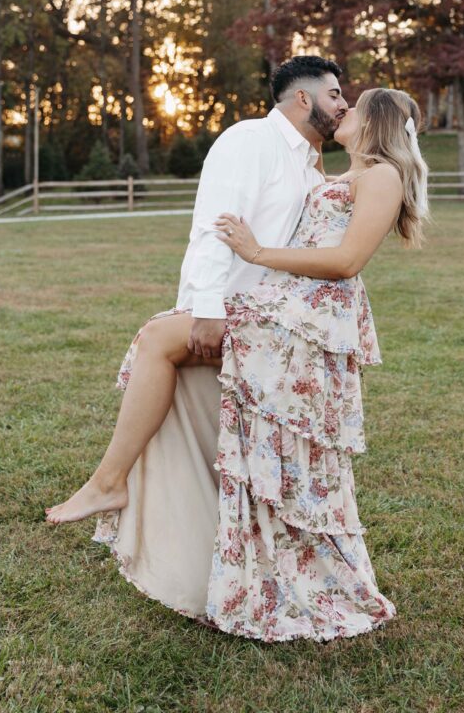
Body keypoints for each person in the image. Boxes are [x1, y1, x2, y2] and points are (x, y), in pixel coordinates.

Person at [46, 70, 429, 643]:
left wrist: (256, 252)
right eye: (336, 98)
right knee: (172, 353)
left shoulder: (382, 176)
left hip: (305, 322)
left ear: (376, 122)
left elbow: (347, 261)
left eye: (354, 105)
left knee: (160, 340)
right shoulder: (330, 168)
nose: (344, 108)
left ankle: (109, 480)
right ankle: (136, 496)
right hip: (285, 308)